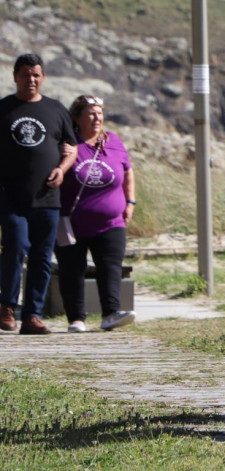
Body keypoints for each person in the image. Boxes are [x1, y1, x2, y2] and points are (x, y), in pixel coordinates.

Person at [0, 53, 77, 335]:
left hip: (47, 198)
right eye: (25, 74)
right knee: (16, 248)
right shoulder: (4, 108)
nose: (30, 79)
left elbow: (72, 147)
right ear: (15, 76)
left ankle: (32, 315)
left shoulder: (56, 110)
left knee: (43, 256)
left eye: (36, 74)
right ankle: (7, 307)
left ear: (42, 77)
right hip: (11, 197)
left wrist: (62, 168)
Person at [54, 95, 137, 333]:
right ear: (77, 117)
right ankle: (76, 319)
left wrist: (130, 202)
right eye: (91, 113)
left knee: (110, 266)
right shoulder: (68, 144)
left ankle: (111, 313)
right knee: (71, 269)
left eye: (100, 113)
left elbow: (128, 172)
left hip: (111, 222)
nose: (97, 117)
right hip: (71, 222)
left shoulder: (114, 141)